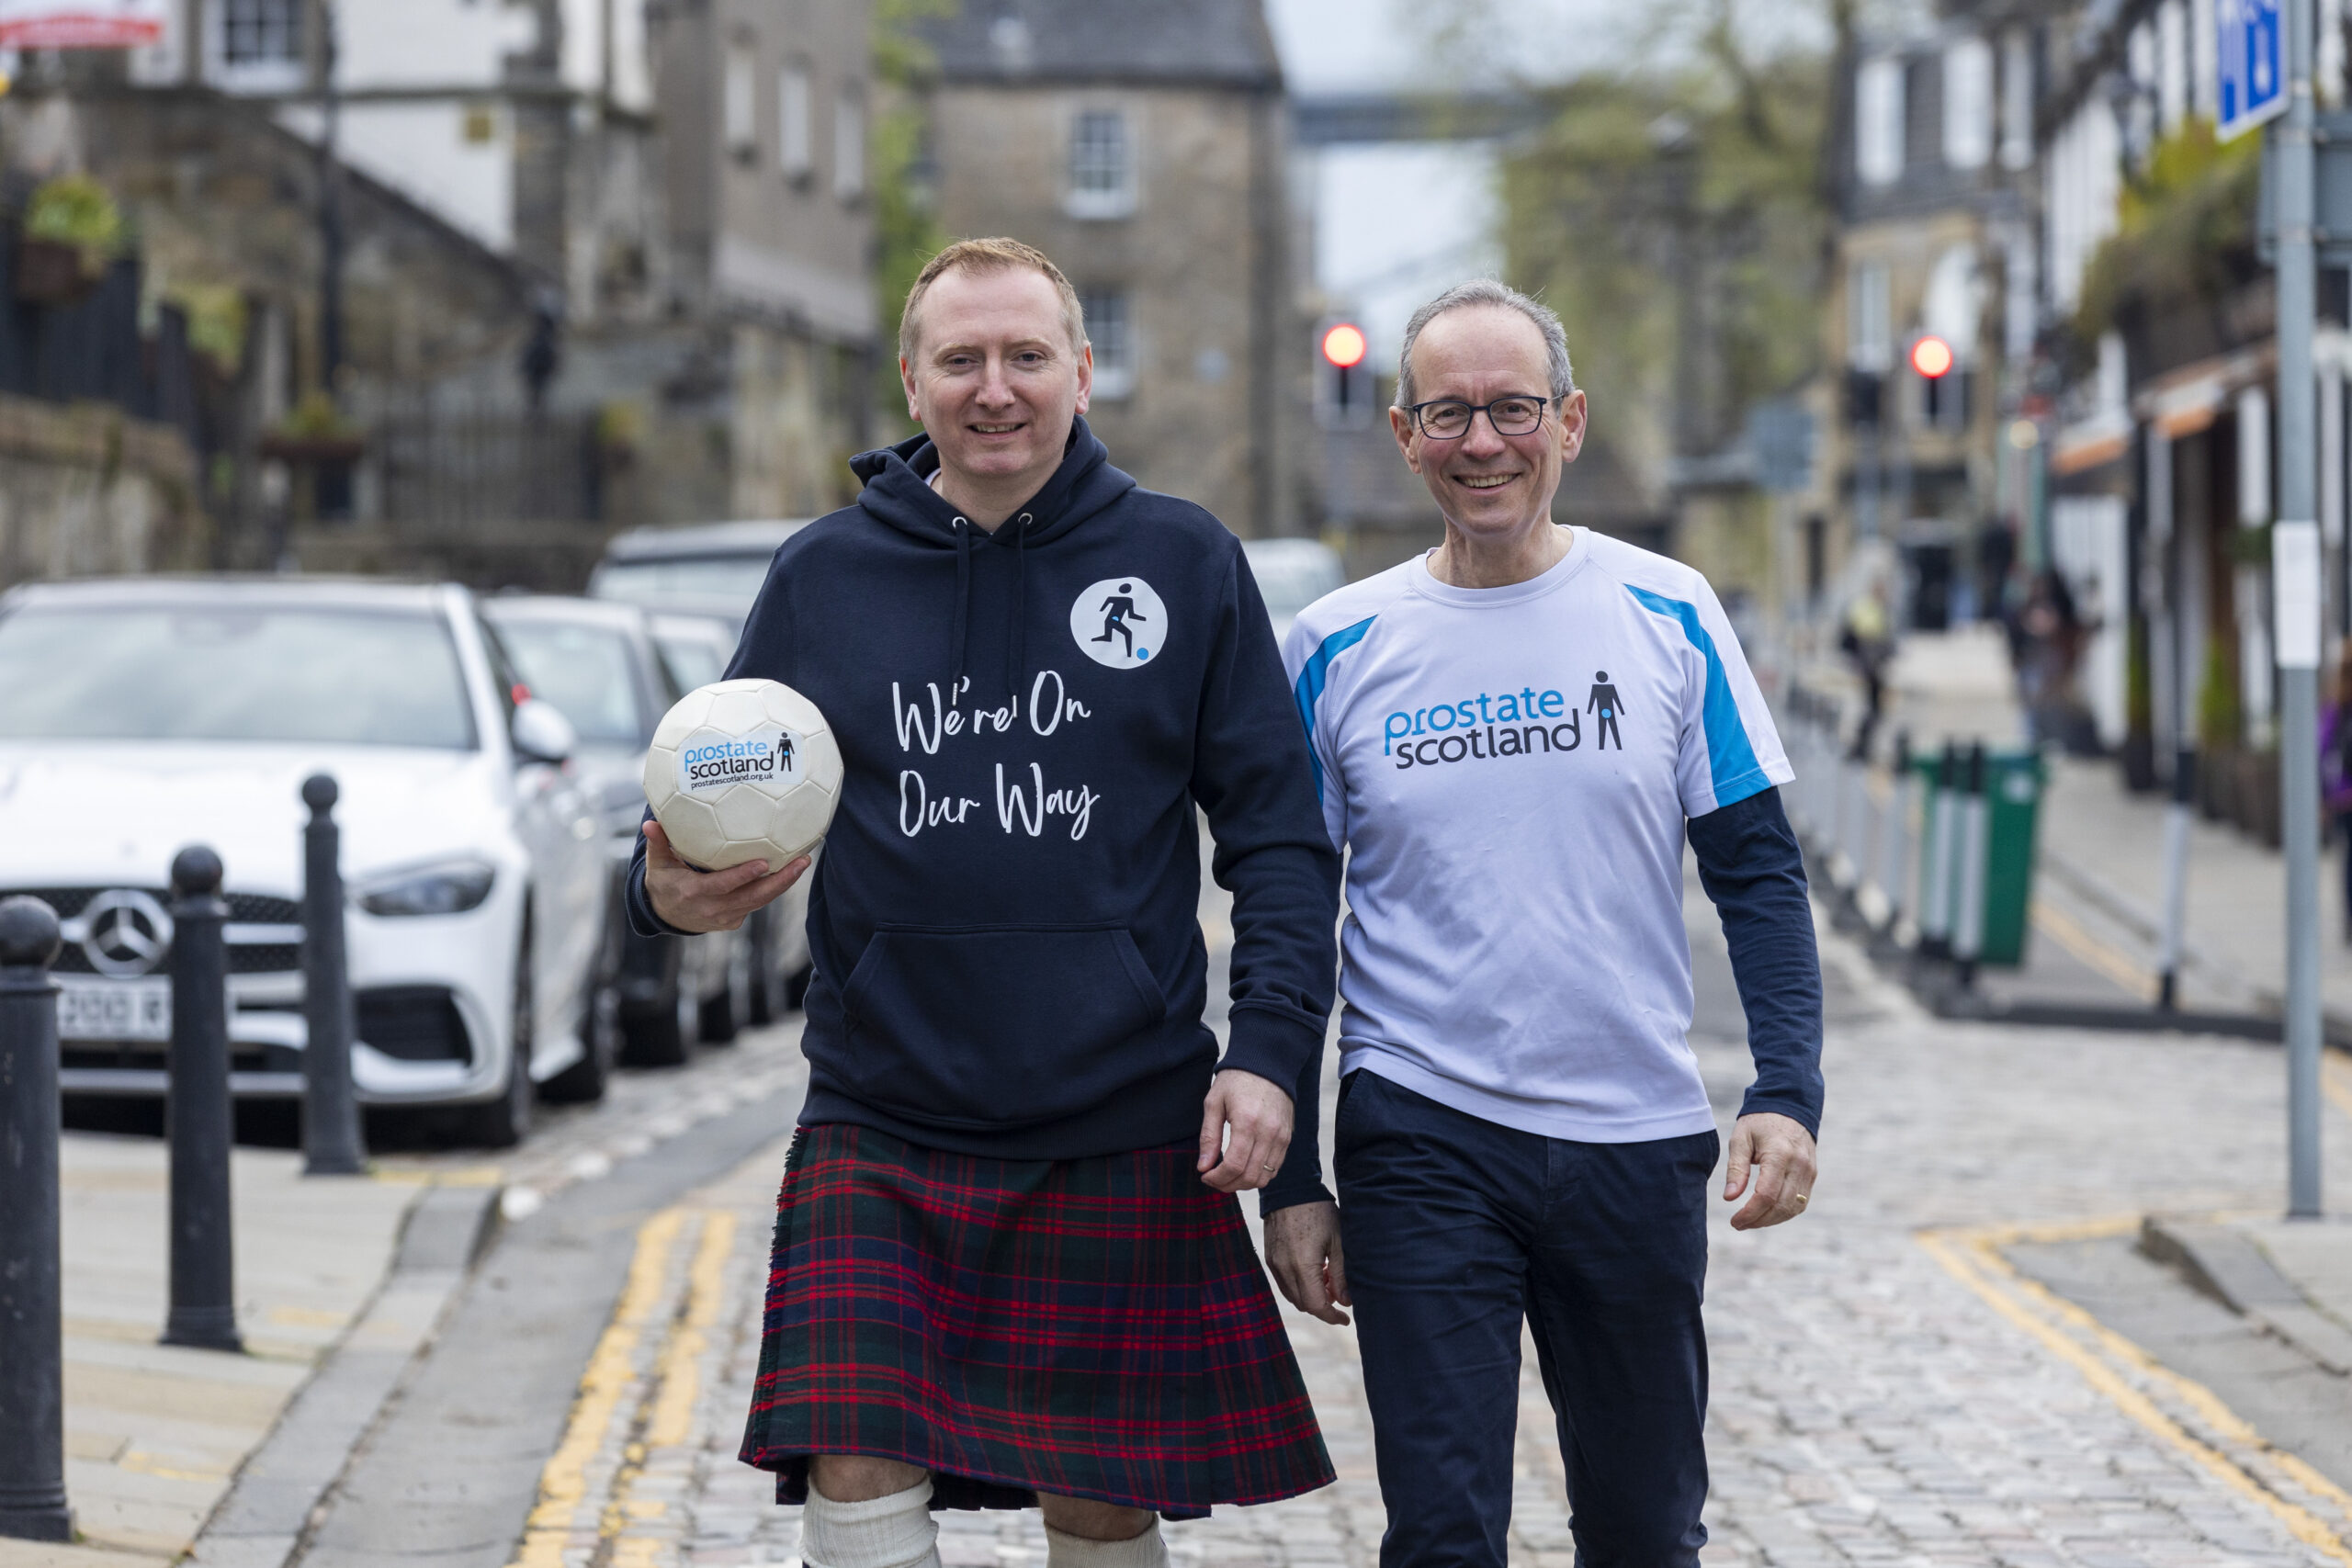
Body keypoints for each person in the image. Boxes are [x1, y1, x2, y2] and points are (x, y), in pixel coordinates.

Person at [628, 237, 1340, 1568]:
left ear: (1082, 370)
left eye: (1025, 356)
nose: (995, 388)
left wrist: (1267, 1054)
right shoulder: (823, 575)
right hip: (885, 1106)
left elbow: (1282, 841)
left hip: (1120, 1105)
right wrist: (661, 891)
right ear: (913, 382)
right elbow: (714, 792)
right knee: (855, 1453)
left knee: (1100, 1492)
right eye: (961, 359)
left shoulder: (1183, 559)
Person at [1266, 279, 1826, 1568]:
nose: (1483, 441)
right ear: (1403, 434)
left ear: (1569, 423)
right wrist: (1294, 1178)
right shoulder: (1336, 644)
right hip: (1420, 1131)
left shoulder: (1669, 610)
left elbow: (1756, 870)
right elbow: (1288, 912)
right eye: (1448, 412)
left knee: (1644, 1532)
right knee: (1442, 1533)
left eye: (1513, 408)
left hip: (1632, 1135)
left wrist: (1787, 1089)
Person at [2324, 640, 2352, 941]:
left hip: (2343, 796)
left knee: (2348, 861)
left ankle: (2349, 920)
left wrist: (2323, 796)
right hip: (2344, 797)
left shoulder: (2336, 707)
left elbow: (2321, 750)